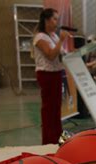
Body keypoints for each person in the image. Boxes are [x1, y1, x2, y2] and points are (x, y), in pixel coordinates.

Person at [33, 8, 70, 144]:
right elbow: (50, 55)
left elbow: (62, 53)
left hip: (56, 73)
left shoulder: (53, 36)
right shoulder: (40, 37)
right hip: (46, 75)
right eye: (54, 19)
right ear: (46, 20)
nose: (57, 22)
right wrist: (61, 40)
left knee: (56, 108)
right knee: (48, 109)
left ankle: (56, 138)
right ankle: (48, 140)